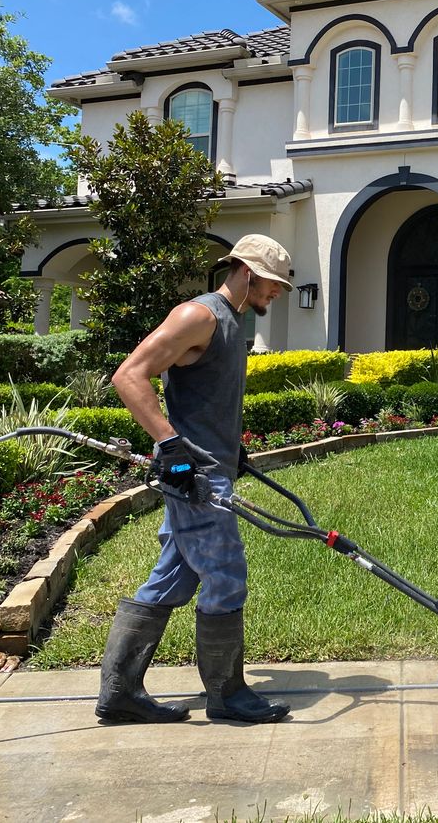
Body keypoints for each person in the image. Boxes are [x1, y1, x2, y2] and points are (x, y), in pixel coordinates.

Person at [95, 233, 293, 725]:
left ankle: (119, 692)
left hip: (210, 466)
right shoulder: (198, 315)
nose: (277, 295)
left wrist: (231, 446)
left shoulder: (231, 323)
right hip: (196, 479)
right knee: (226, 577)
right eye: (273, 285)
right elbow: (129, 376)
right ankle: (227, 695)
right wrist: (169, 444)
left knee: (169, 581)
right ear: (247, 273)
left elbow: (206, 398)